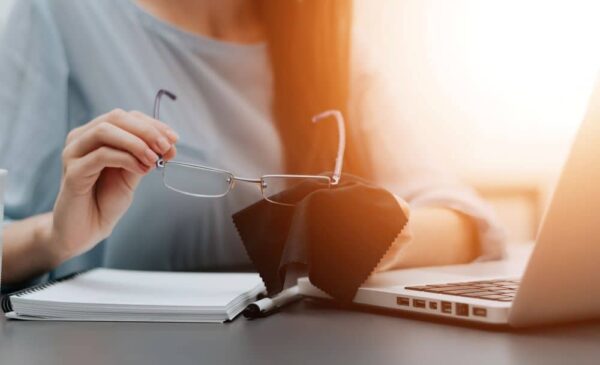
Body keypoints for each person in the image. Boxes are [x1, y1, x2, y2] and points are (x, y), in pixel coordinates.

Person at [0, 0, 504, 289]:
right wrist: (54, 239)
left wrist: (382, 235)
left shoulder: (326, 39)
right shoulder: (58, 14)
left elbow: (468, 223)